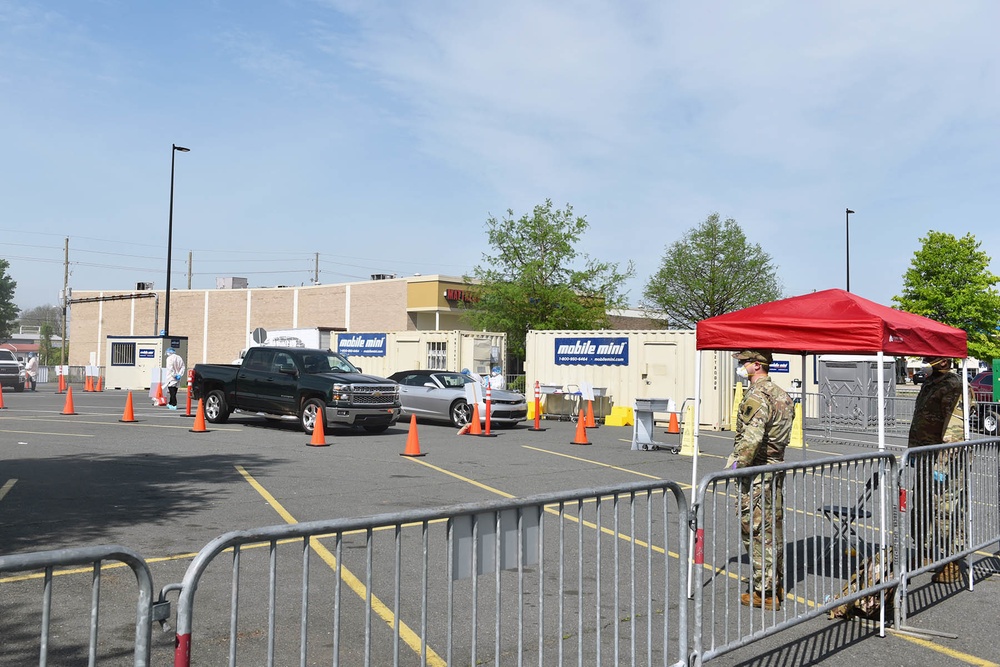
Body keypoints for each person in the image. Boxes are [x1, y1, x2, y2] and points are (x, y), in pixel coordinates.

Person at [725, 350, 794, 610]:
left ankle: (762, 591)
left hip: (757, 471)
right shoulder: (781, 394)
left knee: (755, 532)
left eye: (744, 363)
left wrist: (736, 466)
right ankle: (773, 584)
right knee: (772, 530)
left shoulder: (758, 394)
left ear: (757, 365)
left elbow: (751, 439)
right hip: (774, 467)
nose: (741, 367)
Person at [907, 355, 971, 583]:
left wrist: (943, 462)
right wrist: (913, 450)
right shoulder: (929, 383)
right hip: (924, 455)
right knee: (922, 507)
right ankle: (925, 553)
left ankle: (952, 562)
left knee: (946, 510)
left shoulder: (955, 386)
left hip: (946, 461)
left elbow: (955, 428)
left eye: (930, 359)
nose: (926, 362)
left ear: (944, 361)